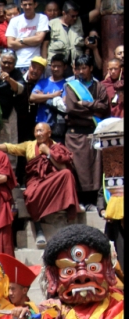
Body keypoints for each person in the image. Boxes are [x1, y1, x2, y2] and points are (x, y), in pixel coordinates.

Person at [0, 122, 79, 247]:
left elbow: (63, 167)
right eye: (36, 131)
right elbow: (11, 147)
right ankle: (37, 226)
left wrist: (49, 153)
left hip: (51, 179)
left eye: (41, 131)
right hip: (35, 181)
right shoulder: (29, 145)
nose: (38, 134)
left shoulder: (56, 147)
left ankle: (67, 209)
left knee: (66, 174)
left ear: (49, 133)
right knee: (30, 194)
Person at [64, 56, 110, 210]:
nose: (81, 71)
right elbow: (72, 109)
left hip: (94, 133)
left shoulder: (99, 86)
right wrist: (92, 113)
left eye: (84, 68)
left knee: (95, 168)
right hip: (76, 134)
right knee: (79, 167)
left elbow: (104, 107)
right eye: (79, 68)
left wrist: (86, 104)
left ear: (90, 68)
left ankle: (94, 201)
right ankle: (81, 200)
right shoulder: (71, 86)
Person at [6, 0, 48, 70]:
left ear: (35, 5)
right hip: (19, 64)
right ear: (21, 5)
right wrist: (33, 42)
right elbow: (10, 44)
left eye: (30, 4)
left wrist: (21, 40)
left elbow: (39, 39)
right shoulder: (14, 21)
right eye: (25, 5)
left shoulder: (42, 18)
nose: (27, 7)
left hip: (36, 63)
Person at [30, 53, 69, 135]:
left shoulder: (67, 85)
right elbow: (32, 97)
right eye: (53, 66)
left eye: (59, 66)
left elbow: (63, 105)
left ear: (65, 67)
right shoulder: (42, 82)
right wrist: (53, 95)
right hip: (40, 123)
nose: (56, 69)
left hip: (57, 126)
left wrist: (42, 98)